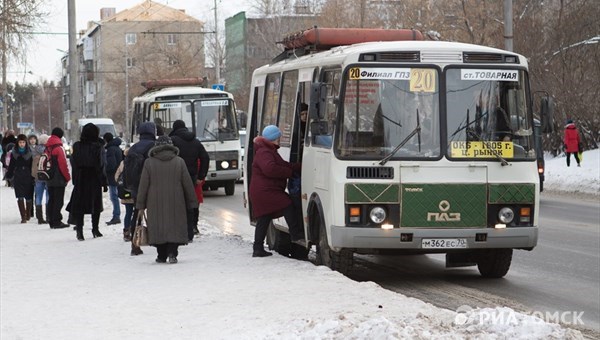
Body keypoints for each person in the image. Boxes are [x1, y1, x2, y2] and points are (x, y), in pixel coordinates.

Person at [136, 135, 197, 264]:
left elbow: (143, 185)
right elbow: (187, 183)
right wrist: (192, 201)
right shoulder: (179, 161)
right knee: (174, 226)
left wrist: (141, 203)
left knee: (158, 226)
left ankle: (161, 255)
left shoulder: (149, 163)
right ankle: (172, 253)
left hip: (154, 202)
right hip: (177, 201)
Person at [249, 125, 302, 258]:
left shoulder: (267, 150)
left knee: (264, 218)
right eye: (278, 137)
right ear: (272, 138)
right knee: (287, 204)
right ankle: (296, 235)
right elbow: (270, 169)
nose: (280, 139)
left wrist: (297, 167)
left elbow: (282, 164)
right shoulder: (265, 152)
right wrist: (289, 173)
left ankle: (258, 248)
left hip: (263, 191)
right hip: (266, 191)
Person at [168, 120, 210, 241]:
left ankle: (179, 228)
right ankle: (192, 228)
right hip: (191, 177)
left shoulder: (173, 141)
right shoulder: (195, 142)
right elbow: (205, 158)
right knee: (191, 202)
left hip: (175, 177)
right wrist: (201, 176)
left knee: (177, 203)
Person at [67, 123, 107, 241]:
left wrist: (75, 178)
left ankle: (80, 231)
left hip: (81, 178)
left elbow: (73, 163)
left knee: (80, 206)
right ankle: (95, 229)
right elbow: (101, 165)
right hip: (94, 177)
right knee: (95, 204)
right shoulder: (98, 146)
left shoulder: (77, 146)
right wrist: (104, 182)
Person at [126, 121, 156, 256]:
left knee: (137, 214)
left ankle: (135, 243)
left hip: (135, 187)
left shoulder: (133, 148)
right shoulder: (153, 147)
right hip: (151, 186)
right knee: (156, 213)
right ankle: (158, 240)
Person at [45, 128, 71, 229]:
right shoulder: (59, 148)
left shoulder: (47, 147)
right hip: (58, 178)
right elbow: (63, 164)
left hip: (49, 176)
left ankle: (51, 219)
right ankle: (57, 221)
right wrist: (67, 177)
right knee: (58, 200)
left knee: (51, 199)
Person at [5, 134, 35, 223]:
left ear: (26, 143)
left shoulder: (30, 153)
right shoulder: (14, 153)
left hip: (28, 176)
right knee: (20, 196)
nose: (22, 144)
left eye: (23, 142)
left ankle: (28, 214)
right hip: (18, 176)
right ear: (17, 143)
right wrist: (9, 175)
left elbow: (32, 166)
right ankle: (23, 217)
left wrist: (33, 176)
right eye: (20, 142)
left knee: (29, 196)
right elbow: (11, 165)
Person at [115, 148, 134, 242]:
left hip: (125, 193)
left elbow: (116, 176)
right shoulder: (137, 162)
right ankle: (135, 231)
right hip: (135, 192)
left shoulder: (123, 163)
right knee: (137, 213)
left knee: (128, 213)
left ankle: (126, 232)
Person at [103, 132, 123, 225]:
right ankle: (116, 215)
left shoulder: (110, 150)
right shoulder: (117, 148)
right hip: (118, 175)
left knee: (113, 196)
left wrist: (105, 169)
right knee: (115, 196)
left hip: (113, 176)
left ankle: (116, 216)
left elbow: (111, 164)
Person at [31, 134, 50, 224]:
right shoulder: (47, 150)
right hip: (46, 175)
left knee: (38, 196)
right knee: (48, 196)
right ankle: (48, 216)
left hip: (37, 176)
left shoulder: (34, 150)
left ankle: (39, 217)